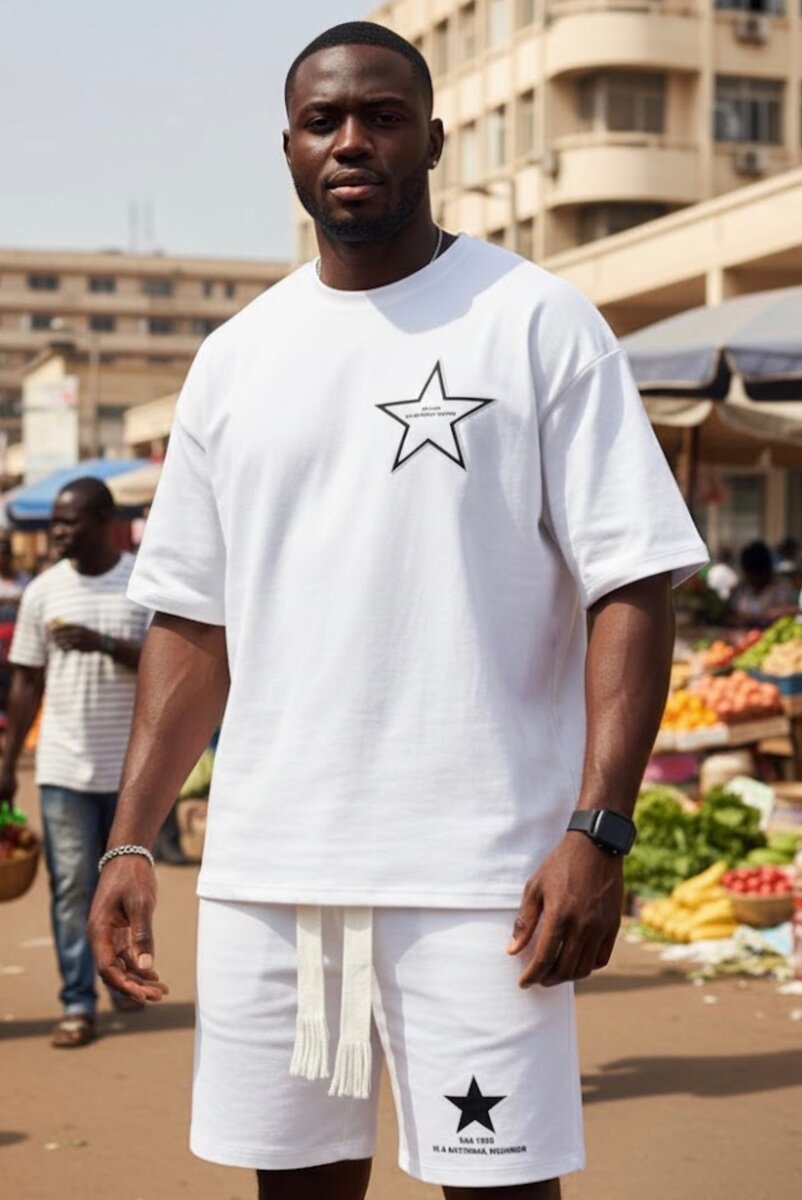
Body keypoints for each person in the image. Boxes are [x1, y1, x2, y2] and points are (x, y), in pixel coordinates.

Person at [88, 22, 707, 1200]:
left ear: (435, 136)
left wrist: (600, 829)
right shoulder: (235, 357)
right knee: (299, 1190)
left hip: (484, 876)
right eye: (324, 121)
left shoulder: (534, 319)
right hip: (275, 875)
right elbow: (190, 623)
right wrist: (133, 833)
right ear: (288, 147)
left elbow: (631, 581)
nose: (352, 140)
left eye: (380, 115)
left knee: (501, 1187)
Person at [0, 478, 148, 1048]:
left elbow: (169, 664)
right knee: (71, 888)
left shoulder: (141, 580)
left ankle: (124, 978)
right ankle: (79, 1003)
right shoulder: (42, 590)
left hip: (131, 772)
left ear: (106, 522)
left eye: (70, 523)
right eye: (55, 522)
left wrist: (103, 644)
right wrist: (9, 762)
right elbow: (26, 681)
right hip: (63, 768)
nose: (58, 532)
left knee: (129, 887)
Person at [730, 540, 798, 627]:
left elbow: (793, 610)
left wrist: (777, 612)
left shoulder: (781, 587)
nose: (755, 581)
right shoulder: (741, 589)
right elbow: (731, 614)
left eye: (758, 575)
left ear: (766, 571)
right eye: (751, 576)